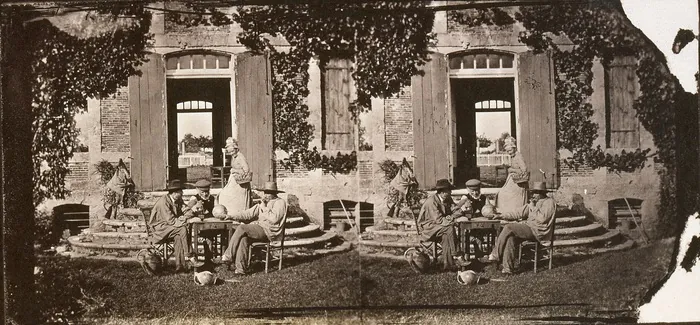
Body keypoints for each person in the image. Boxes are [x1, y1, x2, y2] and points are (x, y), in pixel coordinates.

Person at [216, 181, 288, 275]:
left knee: (242, 228)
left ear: (275, 193)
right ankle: (240, 270)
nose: (266, 195)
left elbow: (274, 219)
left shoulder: (280, 203)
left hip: (271, 232)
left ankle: (228, 255)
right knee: (243, 239)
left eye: (269, 193)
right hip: (261, 229)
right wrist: (230, 216)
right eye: (265, 192)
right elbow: (247, 214)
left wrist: (264, 208)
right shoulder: (263, 204)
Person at [487, 181, 556, 274]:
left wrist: (533, 207)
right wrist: (501, 216)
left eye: (536, 192)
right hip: (529, 228)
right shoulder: (534, 203)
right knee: (510, 238)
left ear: (542, 193)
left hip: (539, 232)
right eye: (533, 192)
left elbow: (542, 219)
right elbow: (518, 213)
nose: (534, 195)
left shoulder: (549, 202)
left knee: (508, 227)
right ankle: (508, 269)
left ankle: (496, 254)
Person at [147, 179, 203, 272]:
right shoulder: (163, 202)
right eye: (181, 191)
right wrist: (187, 219)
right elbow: (172, 221)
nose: (182, 193)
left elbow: (186, 210)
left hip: (171, 228)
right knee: (182, 229)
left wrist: (192, 212)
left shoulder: (178, 199)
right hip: (160, 229)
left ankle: (179, 266)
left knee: (179, 236)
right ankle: (190, 257)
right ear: (174, 193)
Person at [417, 179, 469, 271]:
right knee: (449, 228)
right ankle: (457, 255)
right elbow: (439, 220)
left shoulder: (447, 198)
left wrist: (460, 211)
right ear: (443, 192)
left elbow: (455, 210)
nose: (451, 192)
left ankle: (448, 265)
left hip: (441, 227)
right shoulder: (431, 202)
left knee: (446, 235)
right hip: (428, 228)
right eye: (449, 190)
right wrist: (453, 218)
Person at [494, 136, 528, 214]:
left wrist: (512, 170)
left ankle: (513, 212)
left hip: (518, 182)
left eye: (510, 150)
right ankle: (507, 212)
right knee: (501, 193)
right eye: (507, 151)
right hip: (513, 180)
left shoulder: (519, 156)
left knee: (504, 194)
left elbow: (524, 170)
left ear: (514, 148)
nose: (509, 152)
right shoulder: (514, 157)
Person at [217, 138, 252, 214]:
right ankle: (230, 212)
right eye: (230, 152)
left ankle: (239, 213)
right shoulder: (234, 157)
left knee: (234, 197)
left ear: (236, 149)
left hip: (240, 182)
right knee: (223, 194)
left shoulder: (240, 157)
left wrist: (235, 170)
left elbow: (246, 170)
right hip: (234, 180)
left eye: (233, 151)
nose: (232, 153)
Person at [187, 179, 217, 262]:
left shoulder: (212, 198)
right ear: (197, 190)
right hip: (199, 224)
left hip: (211, 223)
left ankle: (212, 257)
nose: (205, 194)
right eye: (202, 192)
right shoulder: (194, 198)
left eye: (206, 191)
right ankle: (207, 258)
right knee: (208, 235)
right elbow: (189, 209)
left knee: (215, 233)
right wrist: (195, 207)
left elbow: (215, 210)